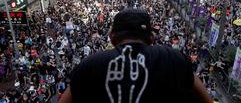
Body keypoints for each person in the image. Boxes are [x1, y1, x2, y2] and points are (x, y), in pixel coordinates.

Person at [59, 8, 212, 103]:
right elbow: (205, 98)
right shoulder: (174, 59)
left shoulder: (89, 65)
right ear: (151, 38)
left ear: (112, 37)